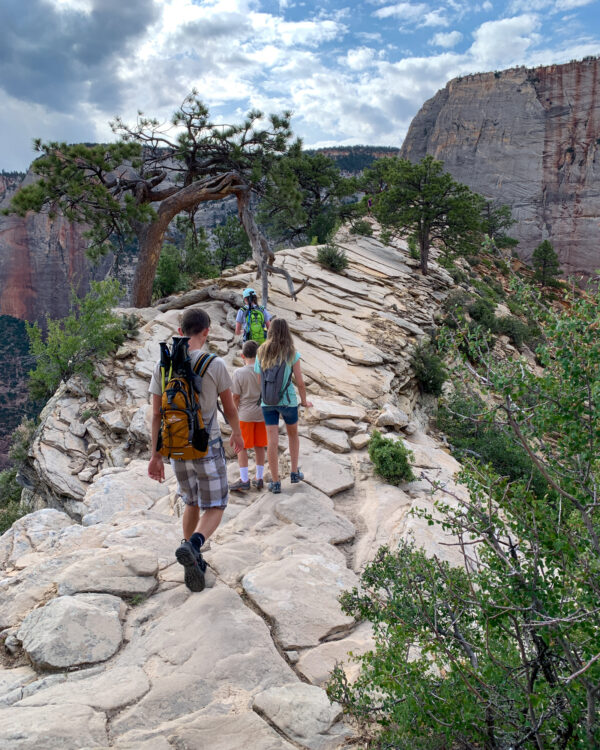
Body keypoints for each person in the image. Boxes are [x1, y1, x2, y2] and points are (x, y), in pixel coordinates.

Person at [148, 307, 244, 592]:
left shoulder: (162, 366)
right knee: (215, 505)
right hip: (207, 445)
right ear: (207, 331)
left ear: (180, 332)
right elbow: (229, 408)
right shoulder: (214, 364)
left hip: (176, 447)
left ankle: (195, 560)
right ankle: (194, 544)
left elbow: (156, 415)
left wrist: (155, 456)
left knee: (190, 500)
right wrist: (237, 435)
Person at [254, 318, 313, 494]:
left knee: (272, 441)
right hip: (288, 401)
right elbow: (300, 382)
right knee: (293, 436)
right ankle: (294, 473)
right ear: (287, 331)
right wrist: (304, 401)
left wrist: (266, 396)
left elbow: (259, 379)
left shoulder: (261, 352)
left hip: (268, 402)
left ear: (270, 330)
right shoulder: (291, 353)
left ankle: (275, 482)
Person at [229, 339, 267, 492]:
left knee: (241, 447)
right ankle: (259, 477)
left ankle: (244, 479)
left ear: (242, 355)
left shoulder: (239, 373)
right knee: (260, 445)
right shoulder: (264, 370)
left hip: (245, 414)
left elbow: (236, 397)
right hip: (262, 413)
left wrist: (233, 414)